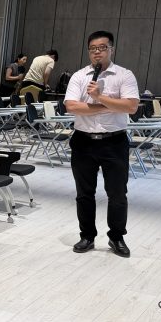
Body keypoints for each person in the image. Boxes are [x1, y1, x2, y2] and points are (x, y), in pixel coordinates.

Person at [64, 31, 139, 257]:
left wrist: (99, 97)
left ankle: (116, 237)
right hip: (83, 142)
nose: (97, 52)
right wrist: (111, 106)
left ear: (111, 49)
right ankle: (87, 236)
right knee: (84, 193)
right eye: (93, 48)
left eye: (102, 47)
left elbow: (131, 107)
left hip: (114, 142)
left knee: (117, 194)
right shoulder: (79, 76)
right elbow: (72, 106)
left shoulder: (124, 75)